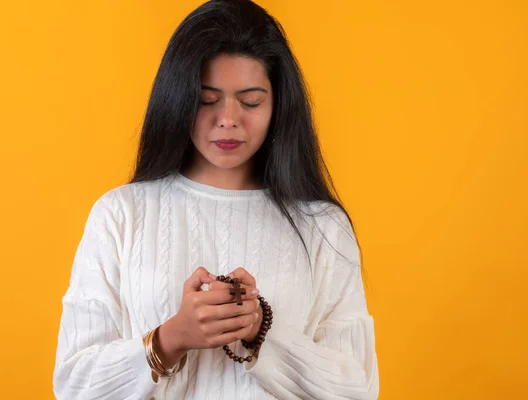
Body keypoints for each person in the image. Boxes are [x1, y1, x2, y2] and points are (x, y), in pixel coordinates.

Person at [53, 0, 379, 398]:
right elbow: (72, 385)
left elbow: (357, 389)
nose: (228, 118)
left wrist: (261, 332)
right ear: (177, 99)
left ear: (278, 105)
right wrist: (170, 339)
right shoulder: (121, 214)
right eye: (207, 99)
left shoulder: (322, 226)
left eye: (251, 101)